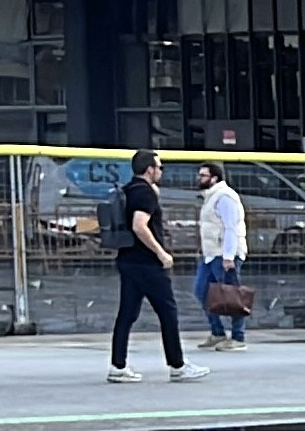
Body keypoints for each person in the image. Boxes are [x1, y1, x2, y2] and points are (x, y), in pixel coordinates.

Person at [106, 149, 203, 384]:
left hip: (128, 260)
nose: (161, 171)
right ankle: (177, 365)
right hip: (147, 263)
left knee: (127, 314)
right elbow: (140, 225)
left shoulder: (129, 189)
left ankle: (118, 366)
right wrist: (161, 253)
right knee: (168, 311)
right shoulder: (145, 192)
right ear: (150, 169)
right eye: (159, 167)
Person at [192, 161, 249, 352]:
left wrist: (228, 256)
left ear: (214, 178)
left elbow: (231, 228)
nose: (198, 178)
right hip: (210, 254)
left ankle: (238, 337)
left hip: (223, 254)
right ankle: (217, 333)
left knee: (233, 296)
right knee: (201, 291)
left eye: (203, 175)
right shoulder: (211, 197)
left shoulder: (224, 197)